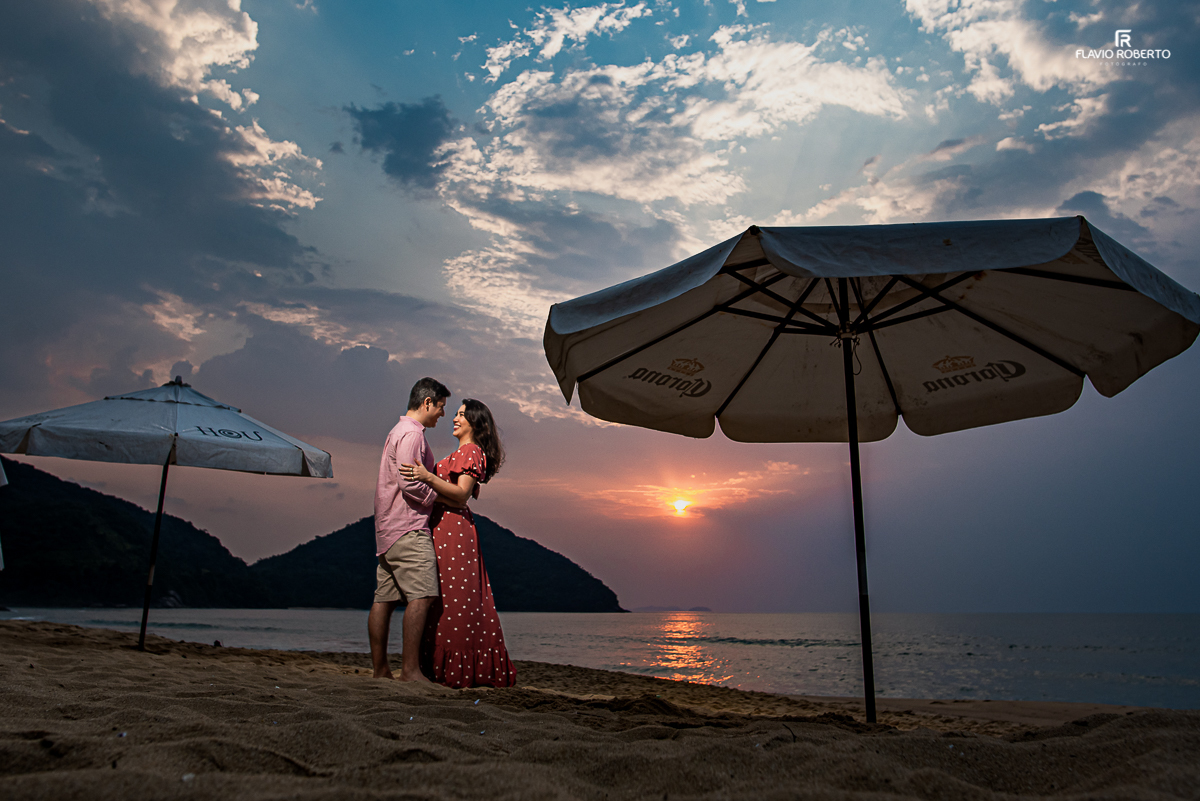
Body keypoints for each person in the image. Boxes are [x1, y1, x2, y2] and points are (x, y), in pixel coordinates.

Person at [400, 398, 517, 688]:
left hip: (455, 531)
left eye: (461, 415)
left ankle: (457, 671)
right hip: (444, 529)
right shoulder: (461, 452)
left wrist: (426, 479)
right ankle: (438, 668)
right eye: (455, 413)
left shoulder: (472, 452)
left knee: (456, 603)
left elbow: (462, 494)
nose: (454, 418)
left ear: (475, 423)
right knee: (444, 601)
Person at [369, 377, 449, 682]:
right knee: (424, 595)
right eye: (441, 407)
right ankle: (411, 671)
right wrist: (438, 499)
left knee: (384, 599)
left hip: (387, 529)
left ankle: (381, 671)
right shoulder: (412, 434)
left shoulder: (396, 432)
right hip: (408, 527)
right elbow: (409, 482)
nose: (443, 414)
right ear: (427, 402)